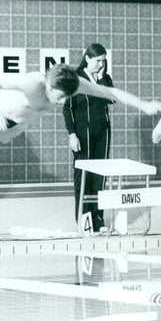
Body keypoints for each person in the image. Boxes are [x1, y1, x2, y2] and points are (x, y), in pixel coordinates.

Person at [0, 64, 161, 145]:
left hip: (19, 121)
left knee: (3, 138)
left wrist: (144, 105)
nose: (60, 102)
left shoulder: (73, 83)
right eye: (58, 96)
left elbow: (110, 91)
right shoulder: (32, 83)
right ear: (48, 84)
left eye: (65, 98)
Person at [63, 44, 114, 233]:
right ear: (87, 59)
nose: (101, 64)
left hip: (102, 131)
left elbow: (112, 99)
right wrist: (72, 134)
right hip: (82, 133)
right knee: (83, 175)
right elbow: (67, 109)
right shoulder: (75, 78)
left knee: (100, 175)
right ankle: (84, 218)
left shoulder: (105, 79)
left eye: (103, 60)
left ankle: (98, 219)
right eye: (97, 60)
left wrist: (101, 81)